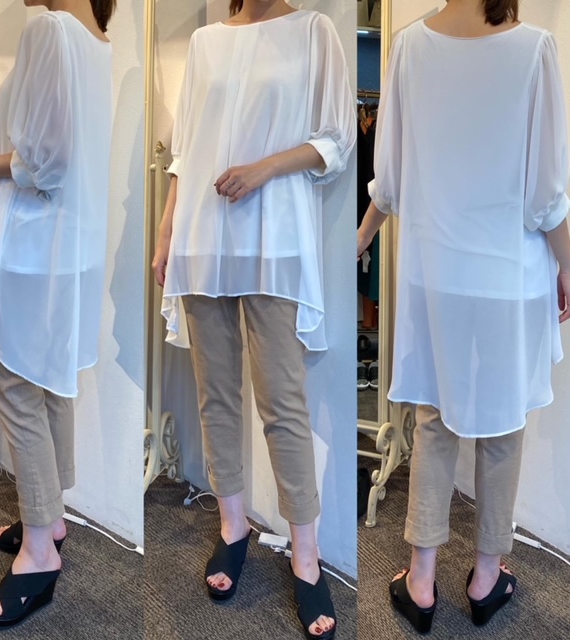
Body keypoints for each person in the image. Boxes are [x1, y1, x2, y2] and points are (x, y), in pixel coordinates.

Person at [358, 0, 570, 633]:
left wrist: (360, 237)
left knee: (434, 416)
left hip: (435, 273)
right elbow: (546, 195)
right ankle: (485, 575)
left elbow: (389, 177)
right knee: (503, 424)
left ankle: (421, 578)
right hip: (508, 273)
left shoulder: (408, 45)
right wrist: (569, 265)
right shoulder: (534, 49)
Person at [152, 0, 355, 637]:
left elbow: (336, 140)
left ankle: (306, 555)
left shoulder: (314, 32)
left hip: (274, 240)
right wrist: (166, 231)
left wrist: (264, 168)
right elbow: (186, 152)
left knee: (282, 401)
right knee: (215, 394)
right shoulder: (206, 42)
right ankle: (232, 526)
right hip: (203, 236)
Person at [0, 0, 114, 629]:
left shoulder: (49, 29)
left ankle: (41, 552)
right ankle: (49, 517)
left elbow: (45, 162)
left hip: (34, 245)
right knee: (49, 381)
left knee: (17, 386)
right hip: (70, 246)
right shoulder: (96, 42)